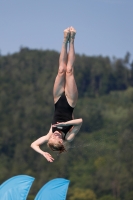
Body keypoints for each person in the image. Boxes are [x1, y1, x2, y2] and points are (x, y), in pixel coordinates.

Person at [31, 26, 83, 162]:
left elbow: (34, 144)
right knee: (69, 70)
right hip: (71, 102)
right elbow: (79, 122)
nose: (55, 135)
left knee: (61, 70)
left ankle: (65, 38)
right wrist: (65, 124)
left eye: (53, 138)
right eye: (57, 138)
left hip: (58, 99)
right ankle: (72, 40)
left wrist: (43, 153)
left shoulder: (50, 134)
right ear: (61, 142)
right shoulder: (68, 136)